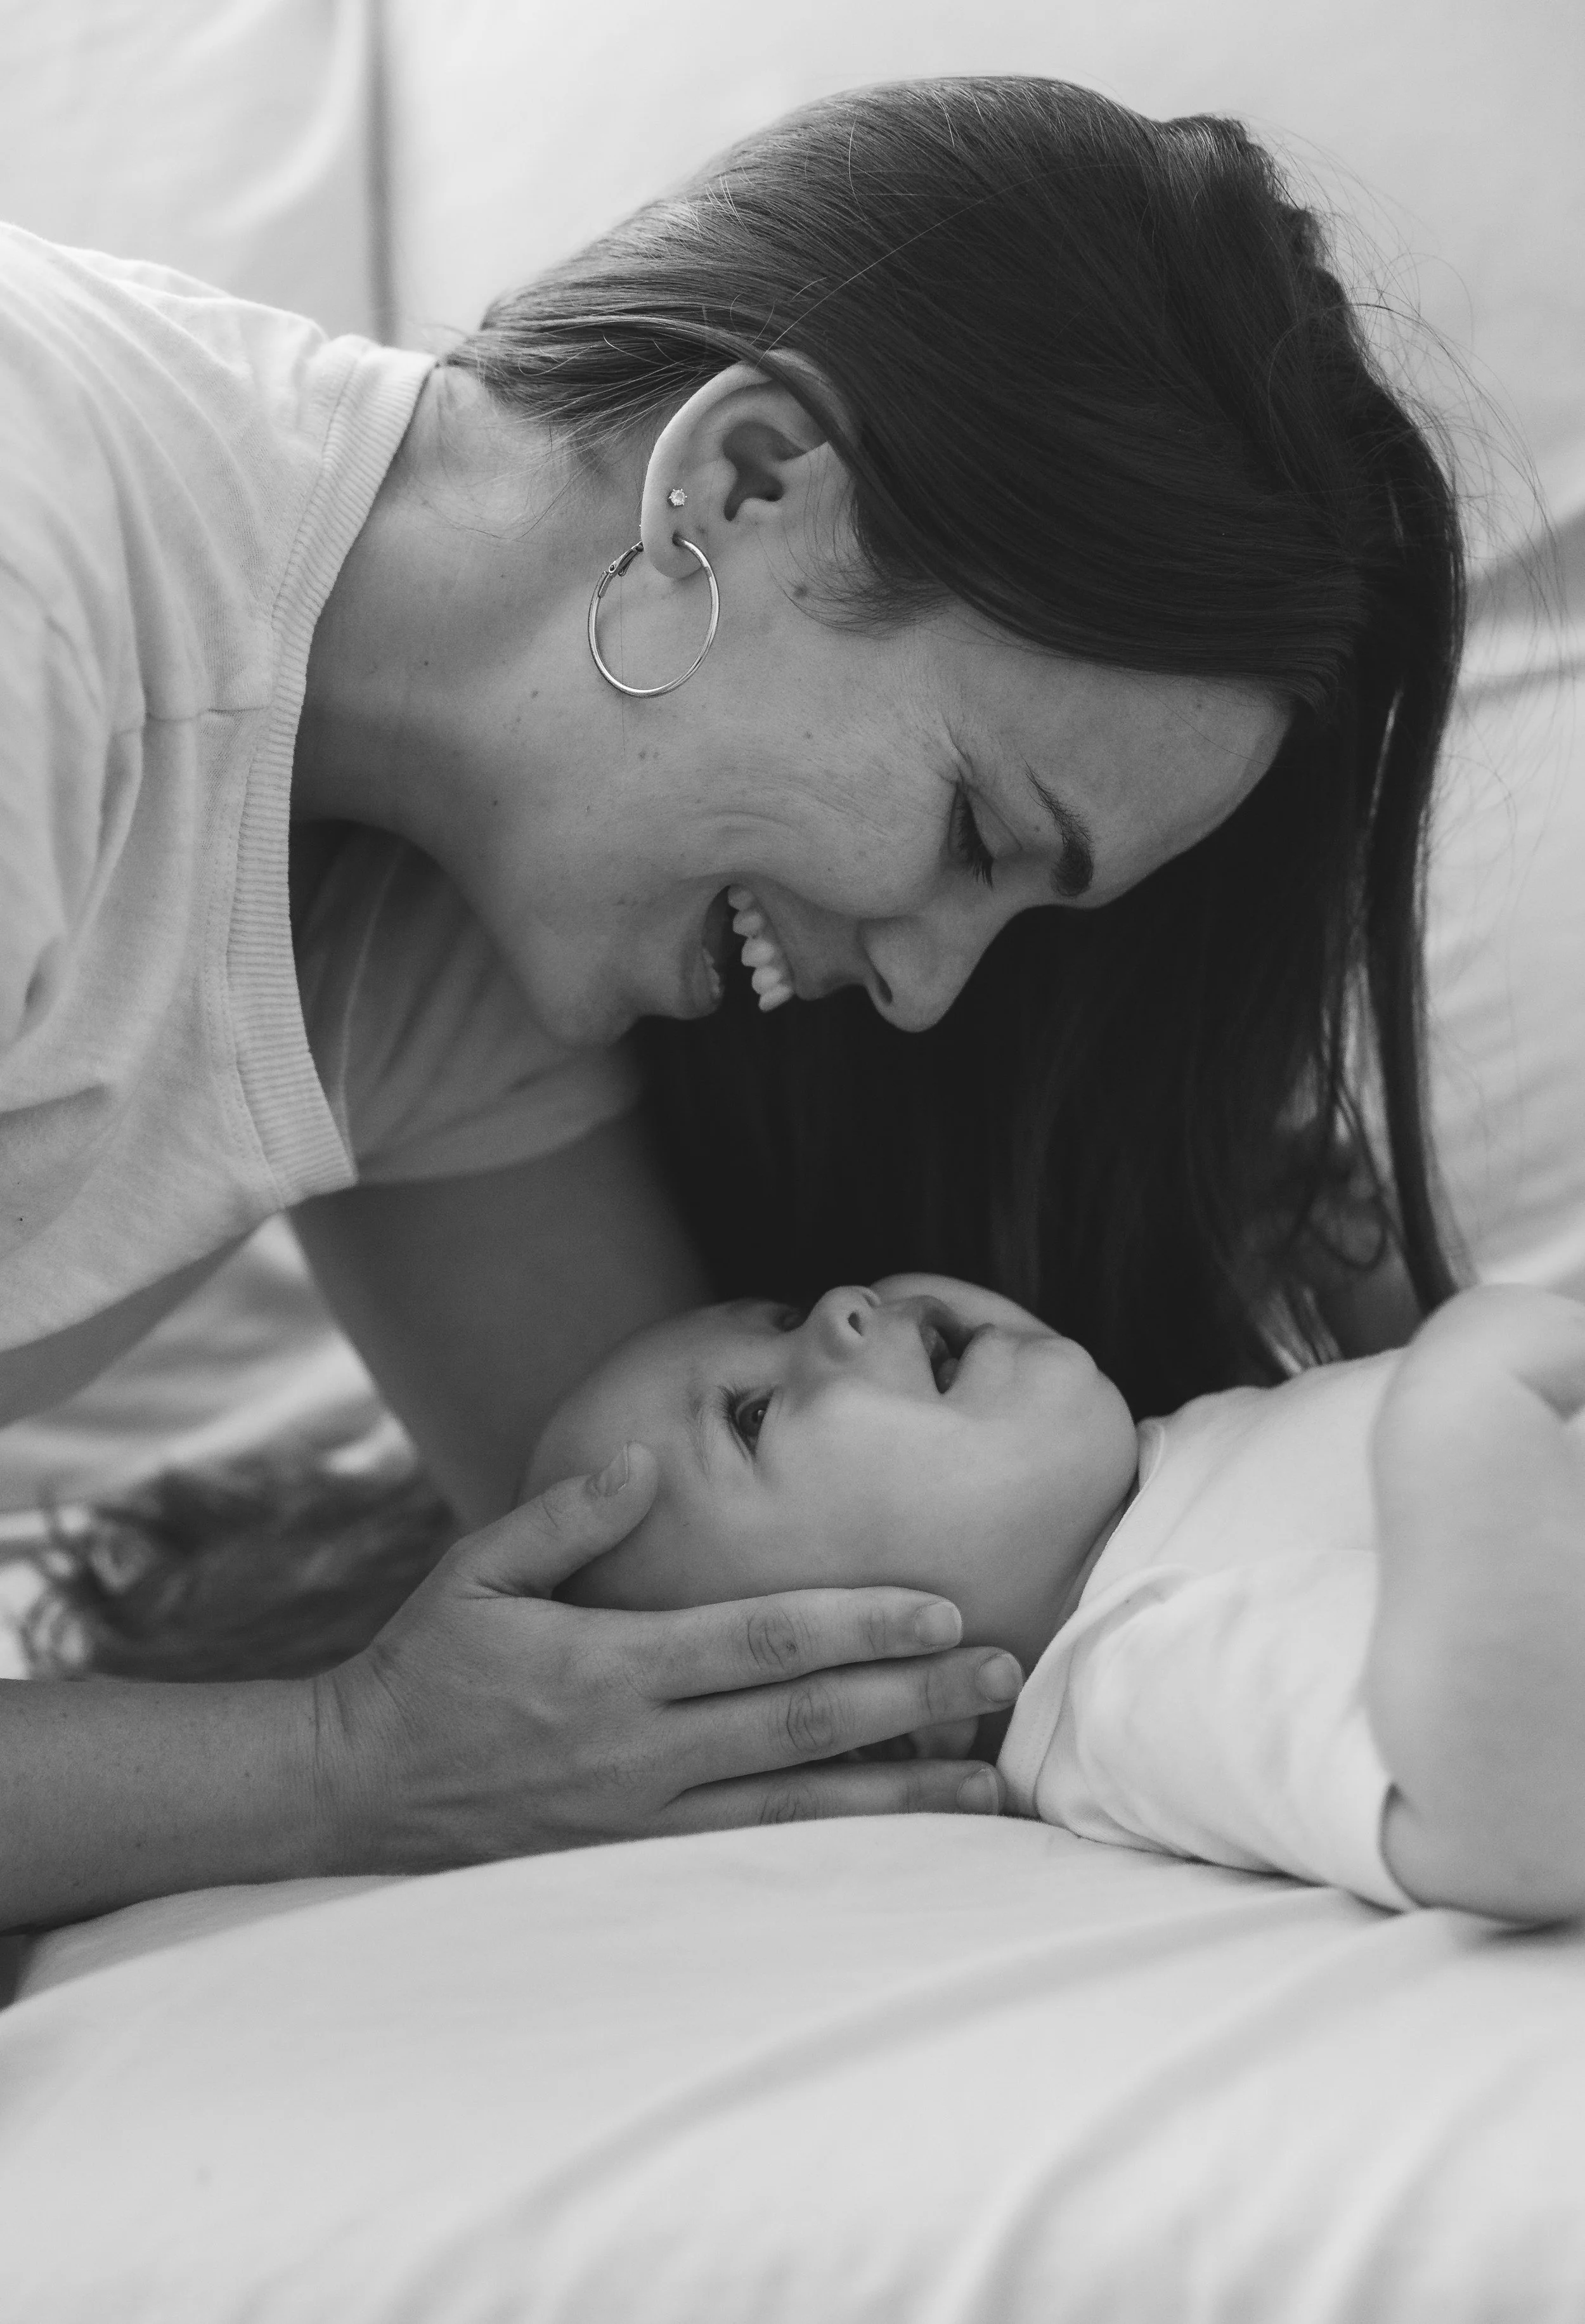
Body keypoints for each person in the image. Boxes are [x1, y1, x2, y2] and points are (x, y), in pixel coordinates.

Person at [1, 78, 1463, 1925]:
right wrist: (331, 1767)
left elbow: (716, 1661)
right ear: (744, 483)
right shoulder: (35, 610)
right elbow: (451, 1741)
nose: (925, 988)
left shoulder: (445, 947)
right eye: (974, 829)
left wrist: (1353, 1344)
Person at [515, 1273, 1585, 1921]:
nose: (845, 1306)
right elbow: (1518, 1820)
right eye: (750, 1417)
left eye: (787, 1309)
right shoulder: (1139, 1673)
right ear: (868, 1713)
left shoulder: (1177, 1472)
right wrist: (1464, 1416)